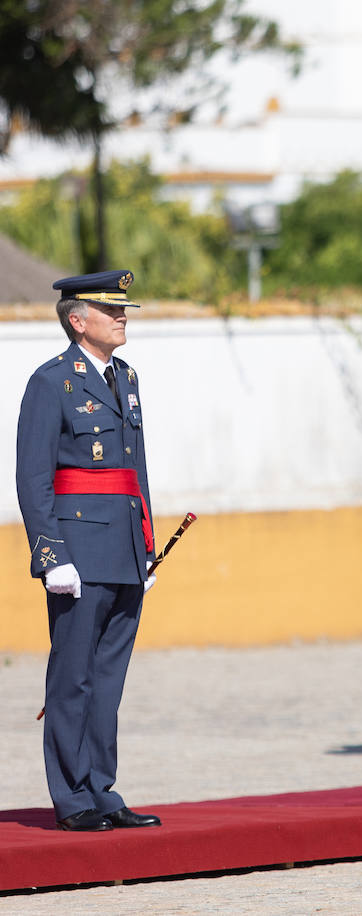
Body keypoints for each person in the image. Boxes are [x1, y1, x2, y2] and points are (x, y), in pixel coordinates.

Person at [16, 269, 160, 831]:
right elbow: (34, 479)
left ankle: (102, 788)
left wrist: (144, 544)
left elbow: (135, 471)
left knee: (108, 679)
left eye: (123, 310)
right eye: (112, 311)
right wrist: (51, 556)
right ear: (78, 321)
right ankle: (72, 797)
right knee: (72, 677)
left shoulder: (126, 377)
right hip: (77, 550)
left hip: (122, 548)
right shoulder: (52, 382)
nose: (123, 317)